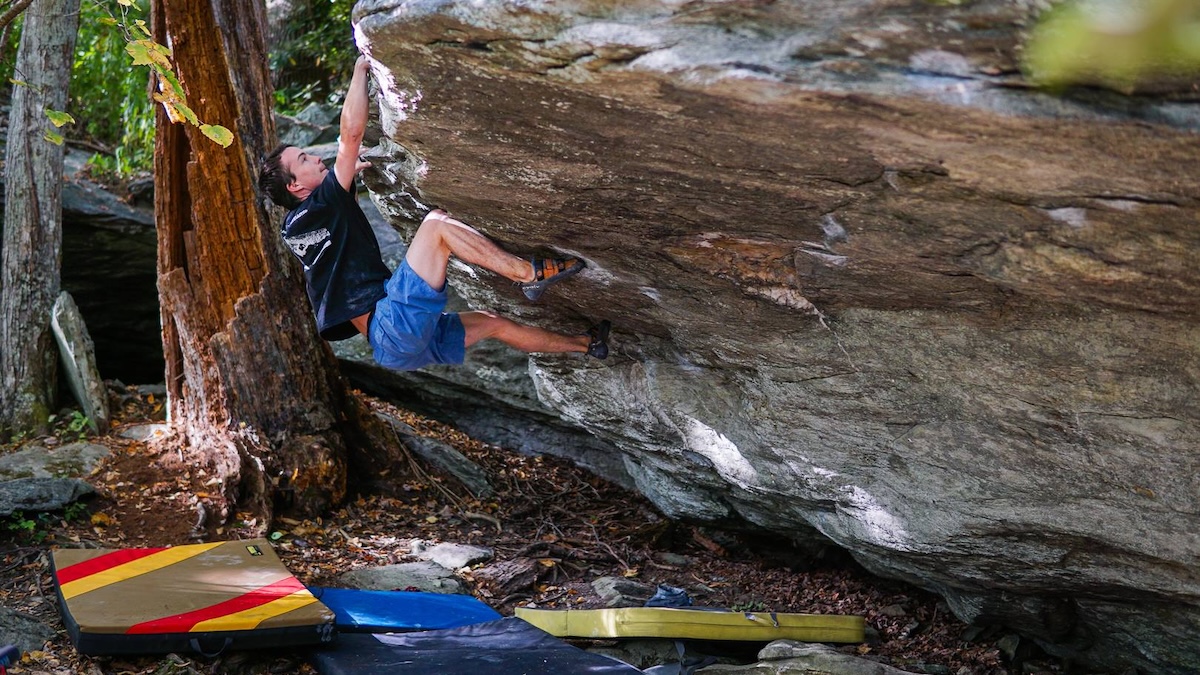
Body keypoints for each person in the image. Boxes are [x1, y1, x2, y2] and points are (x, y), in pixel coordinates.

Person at [258, 56, 609, 371]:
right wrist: (360, 68)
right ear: (295, 186)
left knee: (494, 323)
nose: (315, 158)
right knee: (436, 226)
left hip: (392, 348)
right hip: (393, 325)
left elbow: (336, 238)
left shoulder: (298, 225)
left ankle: (587, 344)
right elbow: (349, 136)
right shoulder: (322, 205)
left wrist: (347, 179)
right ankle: (527, 274)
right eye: (304, 159)